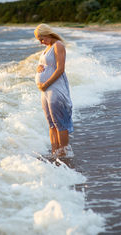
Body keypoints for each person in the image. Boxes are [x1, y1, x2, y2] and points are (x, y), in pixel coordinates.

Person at [34, 24, 73, 157]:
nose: (41, 42)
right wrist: (39, 68)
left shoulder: (58, 45)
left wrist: (46, 83)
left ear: (47, 34)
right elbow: (47, 65)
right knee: (51, 123)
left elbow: (60, 69)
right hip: (45, 90)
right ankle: (55, 152)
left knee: (59, 122)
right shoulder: (48, 48)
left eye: (42, 38)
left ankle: (64, 153)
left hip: (55, 88)